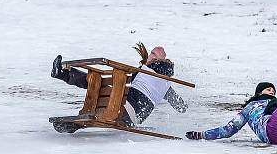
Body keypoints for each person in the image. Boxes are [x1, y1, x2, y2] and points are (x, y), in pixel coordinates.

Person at [50, 44, 188, 133]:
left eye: (153, 54)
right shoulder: (167, 83)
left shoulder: (144, 70)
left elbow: (125, 78)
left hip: (124, 108)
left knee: (97, 82)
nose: (150, 55)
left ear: (158, 59)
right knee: (100, 85)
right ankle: (77, 123)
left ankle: (64, 74)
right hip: (132, 118)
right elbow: (181, 107)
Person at [184, 64, 277, 144]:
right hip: (273, 133)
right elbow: (229, 129)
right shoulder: (250, 108)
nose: (271, 91)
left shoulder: (275, 103)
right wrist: (203, 135)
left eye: (273, 90)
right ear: (259, 92)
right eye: (268, 89)